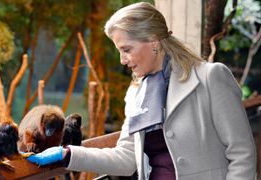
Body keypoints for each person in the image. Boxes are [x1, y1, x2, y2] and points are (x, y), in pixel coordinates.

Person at [26, 2, 256, 180]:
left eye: (126, 49)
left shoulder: (210, 77)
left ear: (153, 41)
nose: (122, 60)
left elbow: (242, 155)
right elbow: (126, 158)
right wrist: (67, 155)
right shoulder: (136, 93)